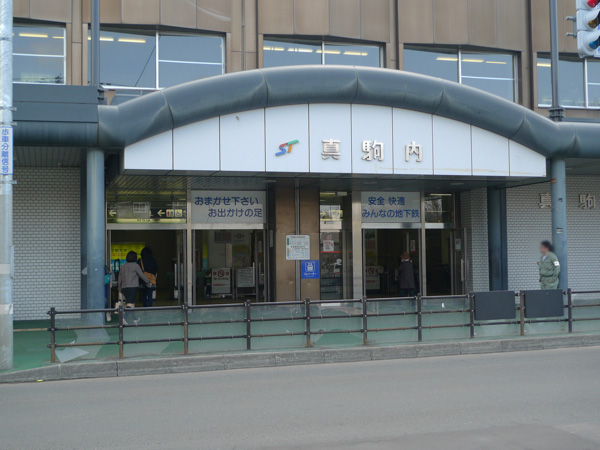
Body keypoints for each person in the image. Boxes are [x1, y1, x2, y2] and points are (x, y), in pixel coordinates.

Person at [118, 251, 151, 324]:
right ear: (135, 258)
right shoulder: (136, 266)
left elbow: (119, 278)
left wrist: (119, 288)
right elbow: (142, 275)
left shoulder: (123, 266)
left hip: (124, 288)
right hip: (132, 287)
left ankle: (135, 319)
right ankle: (124, 318)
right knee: (130, 304)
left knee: (131, 303)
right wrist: (148, 281)